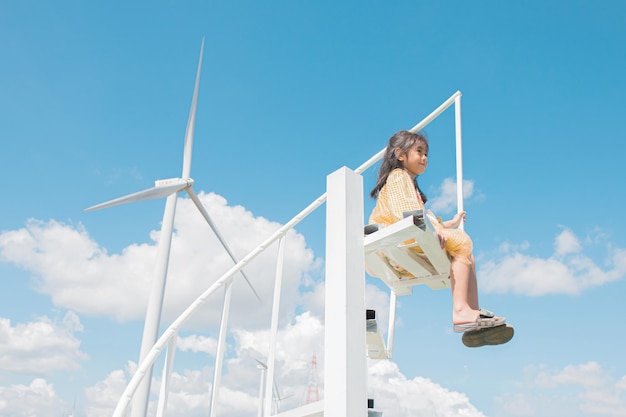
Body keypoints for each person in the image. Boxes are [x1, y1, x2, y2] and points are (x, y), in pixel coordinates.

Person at [369, 130, 513, 347]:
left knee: (467, 257)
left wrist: (449, 224)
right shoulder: (398, 177)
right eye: (419, 151)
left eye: (426, 153)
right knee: (463, 242)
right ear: (400, 154)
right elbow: (404, 213)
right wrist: (431, 234)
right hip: (399, 241)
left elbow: (424, 217)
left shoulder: (409, 184)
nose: (424, 158)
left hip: (406, 243)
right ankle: (461, 310)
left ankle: (469, 313)